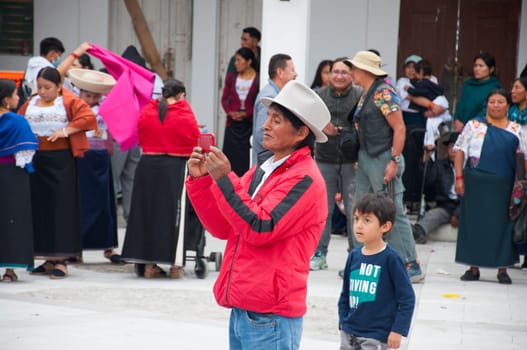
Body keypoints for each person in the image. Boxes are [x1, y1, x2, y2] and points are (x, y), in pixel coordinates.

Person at [186, 80, 330, 350]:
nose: (265, 125)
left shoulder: (305, 179)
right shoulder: (264, 169)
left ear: (300, 133)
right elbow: (224, 227)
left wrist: (225, 179)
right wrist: (204, 181)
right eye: (268, 118)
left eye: (276, 120)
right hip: (246, 306)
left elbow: (261, 226)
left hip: (271, 313)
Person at [348, 50, 424, 282]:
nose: (352, 72)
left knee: (392, 209)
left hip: (383, 157)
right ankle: (363, 258)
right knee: (361, 206)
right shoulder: (366, 93)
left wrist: (394, 160)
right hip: (367, 157)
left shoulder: (383, 93)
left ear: (365, 71)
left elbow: (400, 128)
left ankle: (411, 263)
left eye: (354, 68)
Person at [18, 67, 97, 279]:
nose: (42, 91)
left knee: (61, 208)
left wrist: (65, 131)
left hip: (61, 161)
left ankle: (62, 260)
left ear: (59, 87)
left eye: (47, 87)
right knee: (40, 208)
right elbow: (19, 120)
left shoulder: (68, 101)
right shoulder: (31, 102)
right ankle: (47, 258)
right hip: (36, 160)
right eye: (40, 87)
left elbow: (88, 118)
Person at [121, 79, 200, 279]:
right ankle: (176, 265)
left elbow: (140, 131)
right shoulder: (183, 111)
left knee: (148, 214)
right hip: (173, 167)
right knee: (174, 215)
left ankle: (149, 264)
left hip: (147, 166)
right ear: (181, 94)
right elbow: (194, 137)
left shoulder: (148, 109)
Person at [454, 89, 527, 284]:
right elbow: (460, 151)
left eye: (500, 101)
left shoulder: (516, 130)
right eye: (492, 101)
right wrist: (459, 178)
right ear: (487, 104)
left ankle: (502, 270)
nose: (495, 105)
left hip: (504, 185)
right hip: (475, 181)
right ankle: (473, 268)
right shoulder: (474, 125)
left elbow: (523, 160)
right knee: (474, 224)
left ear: (507, 105)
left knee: (503, 226)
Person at [338, 193, 415, 350]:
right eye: (356, 219)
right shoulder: (354, 255)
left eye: (367, 220)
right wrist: (344, 320)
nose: (359, 225)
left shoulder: (391, 258)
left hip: (376, 336)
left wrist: (397, 330)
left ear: (385, 226)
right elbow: (345, 293)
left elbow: (407, 298)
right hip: (349, 333)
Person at [310, 57, 362, 271]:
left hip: (352, 161)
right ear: (329, 75)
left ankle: (355, 255)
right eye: (335, 72)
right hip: (325, 158)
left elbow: (364, 126)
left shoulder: (360, 95)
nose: (339, 76)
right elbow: (310, 124)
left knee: (353, 210)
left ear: (351, 75)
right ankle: (320, 253)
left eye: (344, 72)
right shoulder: (319, 96)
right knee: (323, 209)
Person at [67, 68, 121, 264]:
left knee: (105, 203)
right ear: (79, 93)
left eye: (94, 95)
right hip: (80, 158)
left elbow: (115, 128)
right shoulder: (73, 108)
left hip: (101, 159)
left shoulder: (106, 107)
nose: (90, 99)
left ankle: (109, 248)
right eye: (87, 94)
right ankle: (76, 248)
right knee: (81, 203)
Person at [0, 79, 39, 282]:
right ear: (6, 100)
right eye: (15, 95)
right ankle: (9, 269)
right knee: (12, 220)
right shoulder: (17, 122)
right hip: (12, 175)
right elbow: (25, 154)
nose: (18, 98)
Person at [412, 132, 461, 244]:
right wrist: (426, 161)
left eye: (457, 146)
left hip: (465, 206)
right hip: (446, 205)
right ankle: (418, 232)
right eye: (450, 147)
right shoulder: (440, 165)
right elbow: (428, 182)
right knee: (433, 215)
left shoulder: (469, 167)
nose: (453, 150)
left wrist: (458, 213)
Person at [252, 53, 297, 165]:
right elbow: (261, 135)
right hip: (267, 164)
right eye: (292, 70)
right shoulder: (270, 97)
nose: (296, 74)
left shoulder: (275, 94)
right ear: (280, 73)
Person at [221, 47, 259, 176]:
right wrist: (230, 112)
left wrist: (246, 113)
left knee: (245, 158)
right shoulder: (232, 77)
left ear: (249, 62)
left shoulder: (257, 79)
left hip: (248, 125)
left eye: (239, 60)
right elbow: (225, 99)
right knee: (231, 157)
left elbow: (257, 102)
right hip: (232, 124)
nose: (235, 63)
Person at [404, 59, 452, 150]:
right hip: (441, 101)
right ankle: (444, 127)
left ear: (421, 73)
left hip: (436, 103)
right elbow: (441, 89)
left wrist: (409, 90)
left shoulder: (423, 84)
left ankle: (431, 139)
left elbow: (418, 92)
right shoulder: (432, 83)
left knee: (431, 123)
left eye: (416, 73)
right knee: (438, 118)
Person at [453, 52, 502, 132]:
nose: (477, 69)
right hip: (460, 128)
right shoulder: (468, 84)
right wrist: (457, 119)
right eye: (475, 66)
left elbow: (486, 111)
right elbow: (461, 104)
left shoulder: (494, 88)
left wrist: (470, 125)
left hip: (480, 129)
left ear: (491, 69)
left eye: (481, 66)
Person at [24, 37, 91, 92]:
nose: (59, 59)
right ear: (52, 53)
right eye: (59, 55)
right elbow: (56, 75)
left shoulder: (32, 66)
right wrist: (78, 52)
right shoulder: (42, 68)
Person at [508, 77, 527, 270]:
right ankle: (516, 251)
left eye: (518, 87)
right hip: (515, 165)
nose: (513, 91)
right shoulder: (511, 113)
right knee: (516, 208)